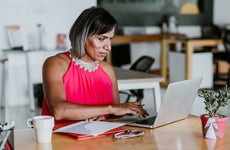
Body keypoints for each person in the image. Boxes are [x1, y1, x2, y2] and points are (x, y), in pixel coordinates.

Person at [41, 6, 148, 123]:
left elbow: (116, 115)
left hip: (99, 138)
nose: (108, 47)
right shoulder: (55, 64)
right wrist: (108, 109)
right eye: (101, 39)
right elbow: (59, 111)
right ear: (82, 36)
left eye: (110, 39)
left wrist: (106, 117)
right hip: (63, 138)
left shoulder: (107, 69)